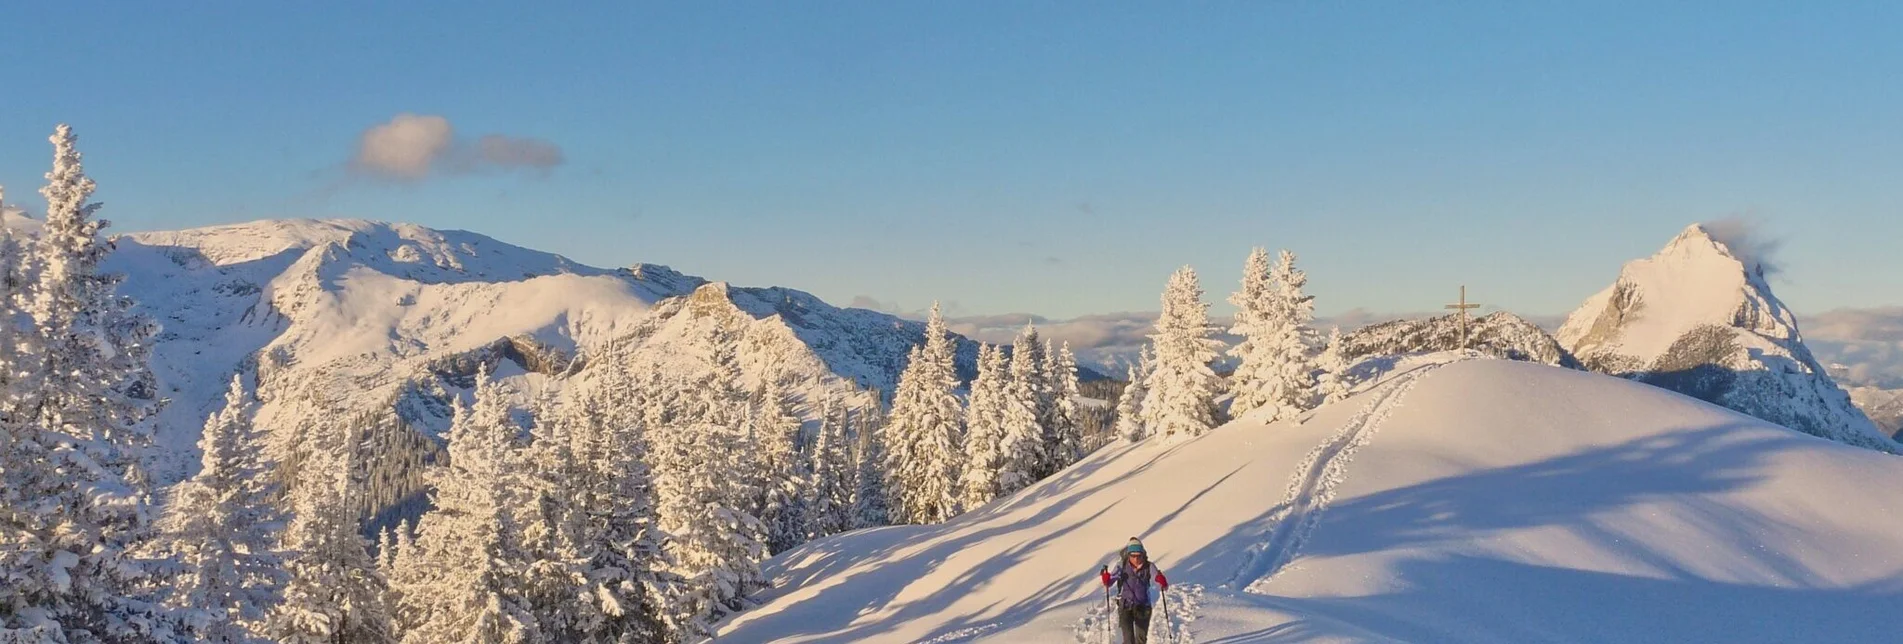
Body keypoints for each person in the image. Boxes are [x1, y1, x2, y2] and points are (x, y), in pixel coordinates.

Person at [1099, 537, 1168, 644]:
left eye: (1139, 555)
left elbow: (1158, 581)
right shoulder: (1121, 566)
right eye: (1133, 555)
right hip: (1125, 606)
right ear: (1128, 555)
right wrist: (1106, 579)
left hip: (1143, 606)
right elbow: (1110, 581)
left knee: (1141, 639)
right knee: (1128, 639)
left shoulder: (1149, 566)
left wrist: (1161, 581)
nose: (1136, 559)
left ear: (1143, 554)